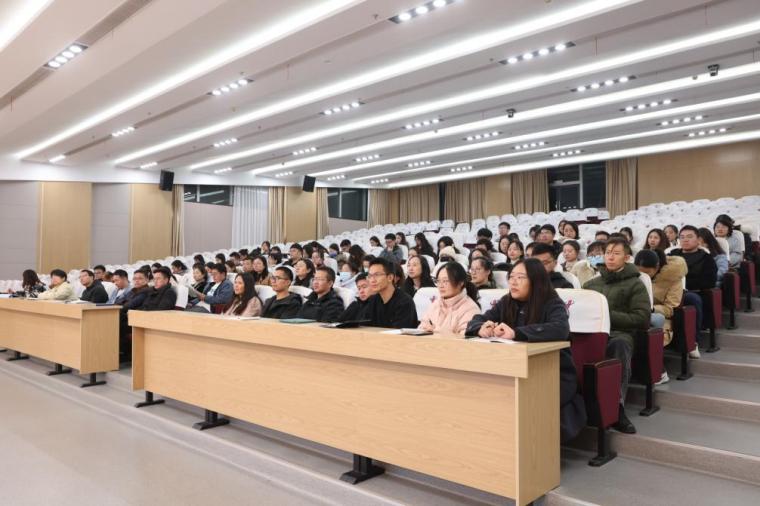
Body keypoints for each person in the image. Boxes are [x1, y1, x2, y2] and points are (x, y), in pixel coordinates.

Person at [466, 259, 586, 442]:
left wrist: (516, 333)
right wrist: (480, 327)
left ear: (536, 280)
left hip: (552, 373)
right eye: (511, 277)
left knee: (520, 399)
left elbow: (560, 329)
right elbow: (477, 319)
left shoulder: (552, 303)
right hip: (515, 370)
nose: (513, 282)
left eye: (520, 277)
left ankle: (533, 452)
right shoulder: (506, 301)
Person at [584, 238, 651, 434]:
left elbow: (642, 318)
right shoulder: (590, 284)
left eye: (616, 253)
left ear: (627, 257)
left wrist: (606, 315)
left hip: (619, 334)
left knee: (619, 346)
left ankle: (616, 407)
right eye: (608, 252)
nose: (610, 257)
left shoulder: (635, 284)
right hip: (592, 332)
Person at [635, 248, 687, 356]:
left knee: (646, 337)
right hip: (634, 314)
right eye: (640, 272)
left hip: (660, 318)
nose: (644, 276)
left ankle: (658, 369)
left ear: (657, 267)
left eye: (647, 272)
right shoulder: (632, 276)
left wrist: (652, 308)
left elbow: (671, 308)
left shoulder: (672, 279)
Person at [418, 262, 480, 335]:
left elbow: (464, 339)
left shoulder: (471, 309)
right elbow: (422, 327)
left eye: (445, 281)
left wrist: (435, 330)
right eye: (438, 281)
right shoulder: (436, 303)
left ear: (461, 283)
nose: (440, 285)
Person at [363, 258, 418, 328]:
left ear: (390, 277)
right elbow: (364, 327)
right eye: (370, 276)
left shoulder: (405, 302)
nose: (372, 280)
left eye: (377, 275)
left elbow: (400, 334)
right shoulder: (372, 300)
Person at [669, 225, 718, 290]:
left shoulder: (706, 258)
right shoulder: (671, 255)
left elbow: (709, 282)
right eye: (682, 237)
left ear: (698, 239)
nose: (685, 240)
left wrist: (681, 284)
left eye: (689, 237)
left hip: (693, 292)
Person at [117, 269, 151, 360]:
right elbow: (120, 301)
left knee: (114, 324)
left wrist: (117, 307)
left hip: (134, 320)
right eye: (135, 278)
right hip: (126, 317)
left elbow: (129, 305)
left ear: (147, 280)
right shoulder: (134, 290)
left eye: (140, 278)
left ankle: (120, 353)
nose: (137, 280)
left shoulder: (145, 291)